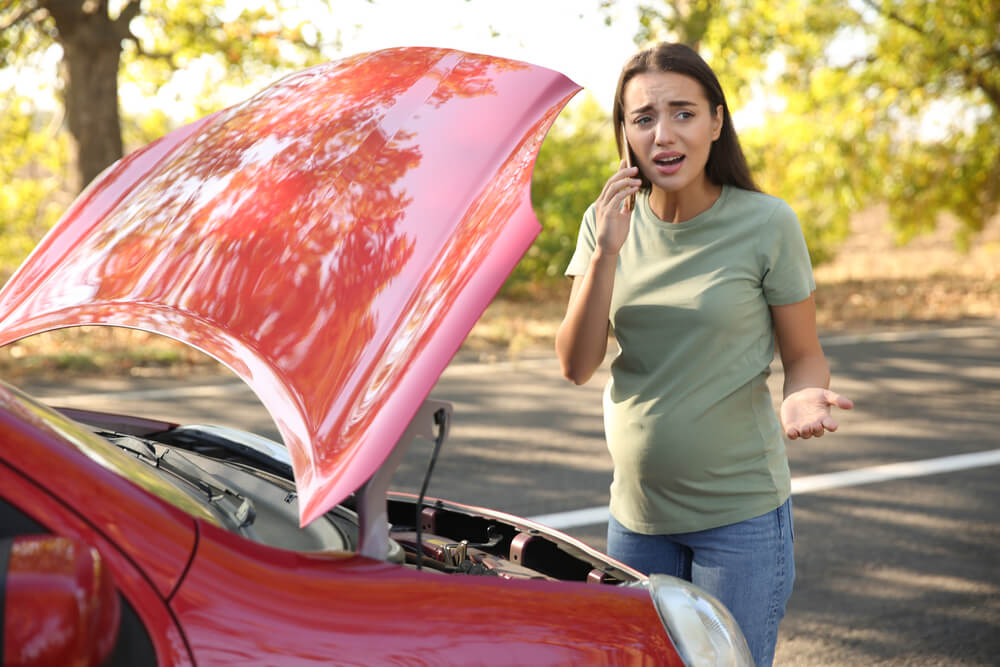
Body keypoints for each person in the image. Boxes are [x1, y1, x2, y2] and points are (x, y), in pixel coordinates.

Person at [555, 42, 853, 667]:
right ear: (625, 133)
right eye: (643, 117)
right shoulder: (604, 221)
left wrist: (800, 395)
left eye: (683, 113)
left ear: (716, 122)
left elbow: (803, 354)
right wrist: (606, 251)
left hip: (739, 520)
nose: (663, 134)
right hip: (635, 519)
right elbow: (576, 365)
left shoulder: (768, 223)